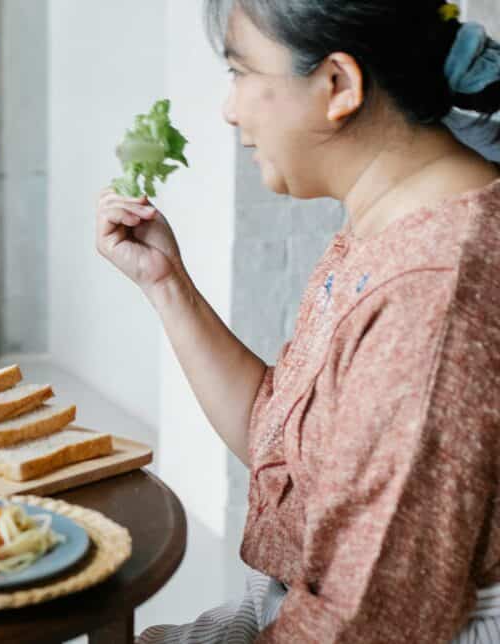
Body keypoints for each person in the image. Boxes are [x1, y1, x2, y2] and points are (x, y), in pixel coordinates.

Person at [95, 2, 500, 642]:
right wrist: (165, 283)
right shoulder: (392, 221)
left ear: (338, 85)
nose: (231, 110)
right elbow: (283, 440)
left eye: (241, 73)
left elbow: (369, 622)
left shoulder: (432, 294)